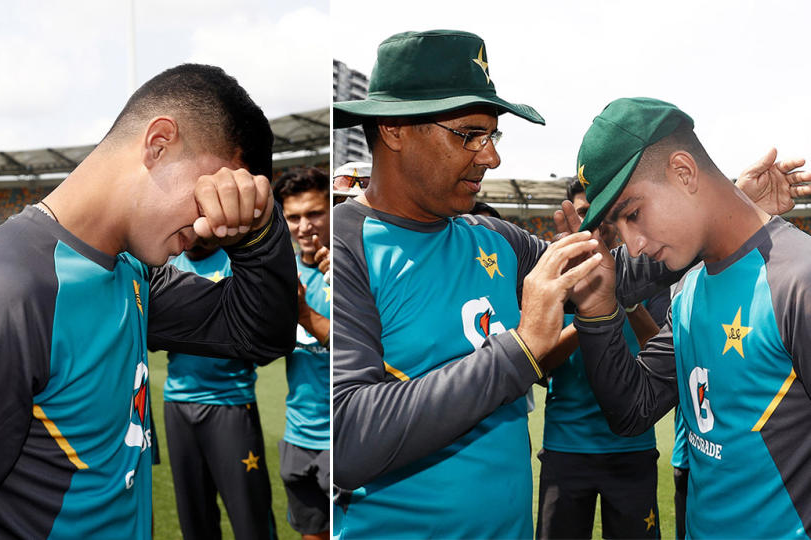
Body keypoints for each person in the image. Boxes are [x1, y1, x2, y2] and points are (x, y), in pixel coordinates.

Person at [331, 30, 807, 538]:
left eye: (494, 136)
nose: (491, 158)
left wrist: (725, 207)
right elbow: (347, 440)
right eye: (470, 134)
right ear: (394, 128)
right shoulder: (347, 246)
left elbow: (605, 275)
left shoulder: (494, 238)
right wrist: (519, 351)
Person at [0, 64, 298, 540]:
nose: (206, 224)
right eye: (211, 193)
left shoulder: (130, 271)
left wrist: (260, 231)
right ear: (158, 143)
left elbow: (259, 333)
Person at [570, 97, 811, 538]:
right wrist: (599, 307)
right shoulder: (688, 287)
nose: (633, 245)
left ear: (684, 171)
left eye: (633, 214)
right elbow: (633, 411)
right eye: (616, 229)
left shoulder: (797, 280)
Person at [536, 179, 665, 539]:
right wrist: (594, 312)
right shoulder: (551, 278)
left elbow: (661, 352)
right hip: (567, 445)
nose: (594, 223)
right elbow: (540, 364)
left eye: (603, 213)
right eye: (583, 213)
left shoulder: (648, 271)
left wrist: (627, 302)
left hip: (631, 447)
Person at [161, 243, 277, 540]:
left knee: (251, 519)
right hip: (178, 404)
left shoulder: (236, 264)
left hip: (230, 403)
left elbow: (254, 332)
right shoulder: (167, 267)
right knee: (194, 519)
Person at [272, 168, 331, 540]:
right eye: (293, 217)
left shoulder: (354, 268)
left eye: (314, 214)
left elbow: (367, 351)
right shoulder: (284, 274)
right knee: (312, 534)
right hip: (299, 433)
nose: (304, 226)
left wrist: (306, 314)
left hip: (346, 435)